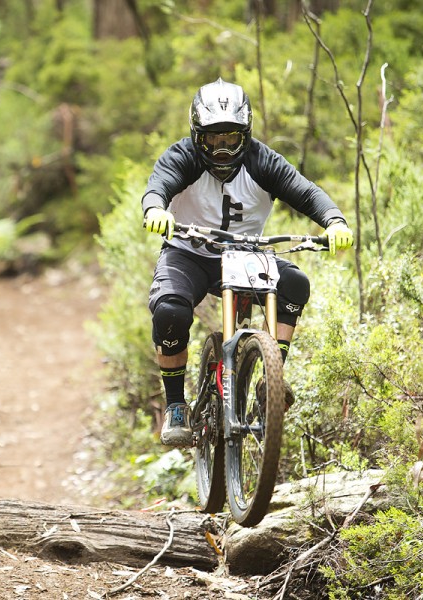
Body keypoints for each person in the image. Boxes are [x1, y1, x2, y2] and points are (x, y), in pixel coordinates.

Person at [141, 78, 353, 447]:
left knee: (295, 284)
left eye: (231, 137)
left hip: (244, 254)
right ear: (197, 135)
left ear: (246, 134)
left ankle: (271, 378)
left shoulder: (262, 160)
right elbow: (159, 184)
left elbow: (304, 191)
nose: (221, 147)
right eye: (212, 138)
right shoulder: (183, 157)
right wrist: (155, 208)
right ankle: (176, 405)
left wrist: (334, 220)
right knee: (169, 312)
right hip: (187, 253)